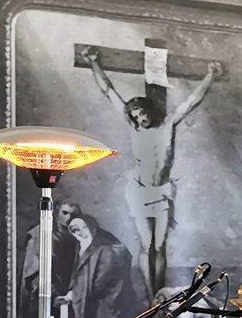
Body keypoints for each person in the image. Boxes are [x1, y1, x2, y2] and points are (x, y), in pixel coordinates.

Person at [80, 46, 225, 290]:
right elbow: (109, 92)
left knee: (160, 245)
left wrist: (210, 75)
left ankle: (158, 292)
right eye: (135, 116)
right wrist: (94, 62)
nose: (139, 119)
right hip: (139, 190)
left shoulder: (167, 125)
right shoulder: (134, 128)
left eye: (141, 114)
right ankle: (150, 295)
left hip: (162, 191)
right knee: (146, 244)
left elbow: (191, 102)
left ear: (149, 111)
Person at [63, 213, 149, 318]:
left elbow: (100, 283)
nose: (79, 232)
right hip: (94, 307)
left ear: (92, 226)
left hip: (109, 308)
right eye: (74, 230)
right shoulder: (84, 246)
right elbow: (80, 276)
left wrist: (75, 295)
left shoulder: (107, 248)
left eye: (83, 227)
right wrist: (73, 291)